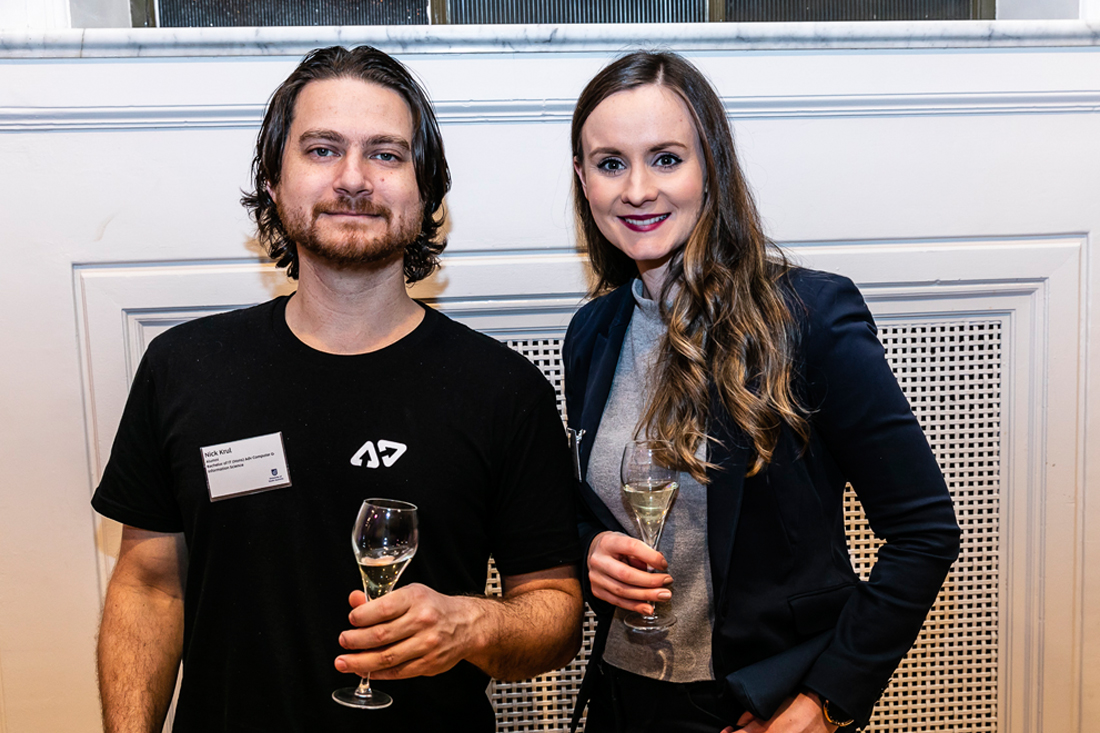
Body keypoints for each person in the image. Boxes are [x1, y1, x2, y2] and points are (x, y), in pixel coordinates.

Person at [92, 45, 583, 733]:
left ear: (427, 190)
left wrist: (474, 624)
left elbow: (555, 612)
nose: (353, 179)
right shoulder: (183, 367)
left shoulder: (504, 389)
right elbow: (148, 586)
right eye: (322, 150)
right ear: (273, 180)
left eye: (386, 154)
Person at [563, 51, 961, 733]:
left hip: (755, 708)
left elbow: (924, 532)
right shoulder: (591, 333)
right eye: (610, 164)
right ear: (583, 179)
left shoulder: (808, 317)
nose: (637, 189)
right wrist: (590, 551)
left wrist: (825, 702)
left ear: (712, 167)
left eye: (666, 159)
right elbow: (583, 512)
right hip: (621, 702)